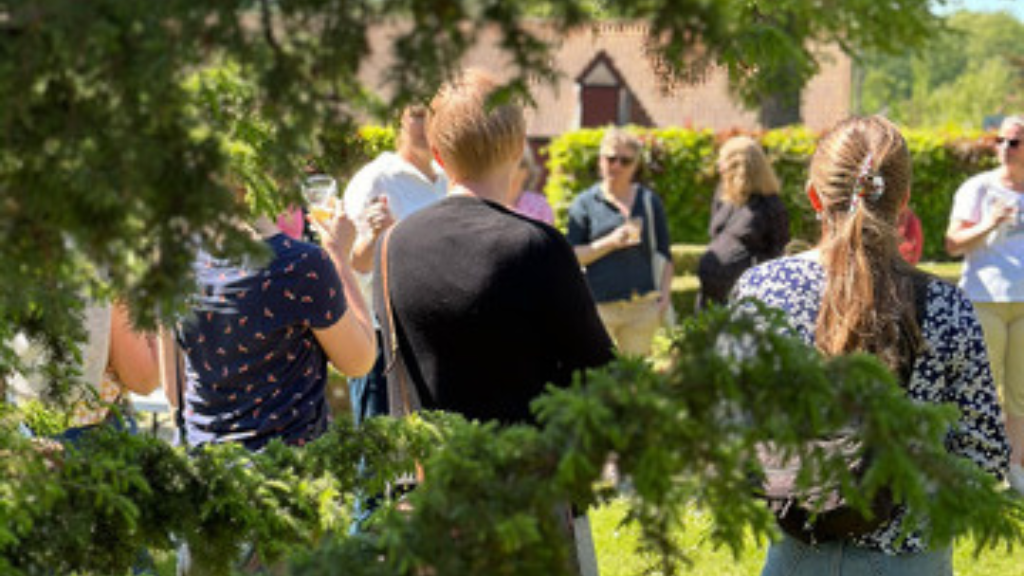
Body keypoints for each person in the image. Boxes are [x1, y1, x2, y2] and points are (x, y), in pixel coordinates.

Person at [734, 116, 1009, 575]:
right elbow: (984, 456)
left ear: (815, 196)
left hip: (799, 548)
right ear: (903, 201)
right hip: (911, 555)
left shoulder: (763, 290)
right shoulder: (947, 306)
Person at [376, 67, 612, 576]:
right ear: (519, 147)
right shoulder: (537, 247)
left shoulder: (393, 246)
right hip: (527, 505)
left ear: (437, 155)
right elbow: (601, 377)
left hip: (435, 502)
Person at [163, 194, 375, 453]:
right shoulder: (301, 264)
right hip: (289, 466)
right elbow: (359, 361)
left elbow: (174, 391)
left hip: (206, 463)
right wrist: (338, 255)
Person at [342, 105, 448, 427]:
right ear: (400, 119)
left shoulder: (448, 179)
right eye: (419, 114)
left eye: (435, 113)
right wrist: (377, 236)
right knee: (379, 451)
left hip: (434, 337)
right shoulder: (375, 180)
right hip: (384, 344)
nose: (428, 124)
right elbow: (351, 267)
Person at [945, 115, 1024, 493]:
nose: (1007, 148)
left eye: (1015, 142)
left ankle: (1014, 469)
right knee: (981, 386)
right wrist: (990, 222)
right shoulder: (977, 188)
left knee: (1019, 392)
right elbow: (952, 244)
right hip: (984, 298)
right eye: (1002, 141)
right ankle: (976, 467)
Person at [566, 128, 673, 356]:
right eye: (611, 158)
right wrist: (611, 242)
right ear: (600, 160)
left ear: (635, 166)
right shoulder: (584, 203)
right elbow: (572, 256)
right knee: (595, 371)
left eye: (625, 161)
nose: (617, 165)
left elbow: (665, 253)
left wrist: (664, 296)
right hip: (598, 307)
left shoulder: (649, 201)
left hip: (641, 308)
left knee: (634, 374)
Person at [697, 136, 789, 309]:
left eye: (723, 162)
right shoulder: (724, 197)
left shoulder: (771, 206)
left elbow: (779, 253)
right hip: (709, 297)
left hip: (744, 301)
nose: (719, 168)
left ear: (739, 167)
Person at [510, 144, 554, 225]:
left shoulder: (540, 205)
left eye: (516, 164)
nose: (509, 170)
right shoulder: (489, 202)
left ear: (526, 172)